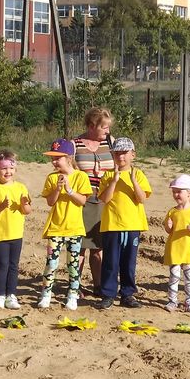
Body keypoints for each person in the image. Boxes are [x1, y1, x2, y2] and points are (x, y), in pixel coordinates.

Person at [37, 139, 92, 311]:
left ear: (69, 157)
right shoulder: (52, 178)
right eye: (52, 158)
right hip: (55, 228)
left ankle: (72, 294)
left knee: (73, 264)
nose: (54, 162)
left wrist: (69, 189)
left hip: (74, 229)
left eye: (57, 158)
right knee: (51, 263)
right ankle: (46, 293)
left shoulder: (81, 176)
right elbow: (50, 202)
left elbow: (82, 200)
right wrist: (58, 189)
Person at [98, 137, 151, 309]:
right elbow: (105, 199)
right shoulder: (107, 175)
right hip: (112, 225)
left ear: (133, 155)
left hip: (132, 225)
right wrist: (114, 180)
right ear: (113, 155)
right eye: (117, 153)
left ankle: (127, 294)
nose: (121, 156)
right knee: (110, 261)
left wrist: (133, 181)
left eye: (124, 153)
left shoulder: (139, 174)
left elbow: (142, 198)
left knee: (129, 262)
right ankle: (108, 294)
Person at [74, 108, 115, 297]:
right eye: (104, 127)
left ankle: (98, 285)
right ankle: (75, 285)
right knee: (80, 246)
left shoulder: (111, 143)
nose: (107, 131)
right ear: (92, 126)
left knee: (99, 247)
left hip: (106, 200)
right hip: (83, 200)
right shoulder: (75, 145)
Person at [0, 150, 32, 309]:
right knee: (2, 264)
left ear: (15, 169)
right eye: (4, 168)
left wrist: (25, 204)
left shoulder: (21, 187)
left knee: (13, 265)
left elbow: (27, 210)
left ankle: (11, 295)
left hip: (16, 233)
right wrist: (2, 206)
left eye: (11, 168)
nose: (8, 172)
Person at [162, 174, 190, 313]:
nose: (176, 194)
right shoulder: (172, 211)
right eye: (174, 191)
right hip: (175, 249)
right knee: (174, 277)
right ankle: (172, 301)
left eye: (179, 191)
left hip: (189, 251)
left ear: (189, 193)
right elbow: (169, 231)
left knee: (189, 279)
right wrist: (168, 225)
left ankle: (189, 302)